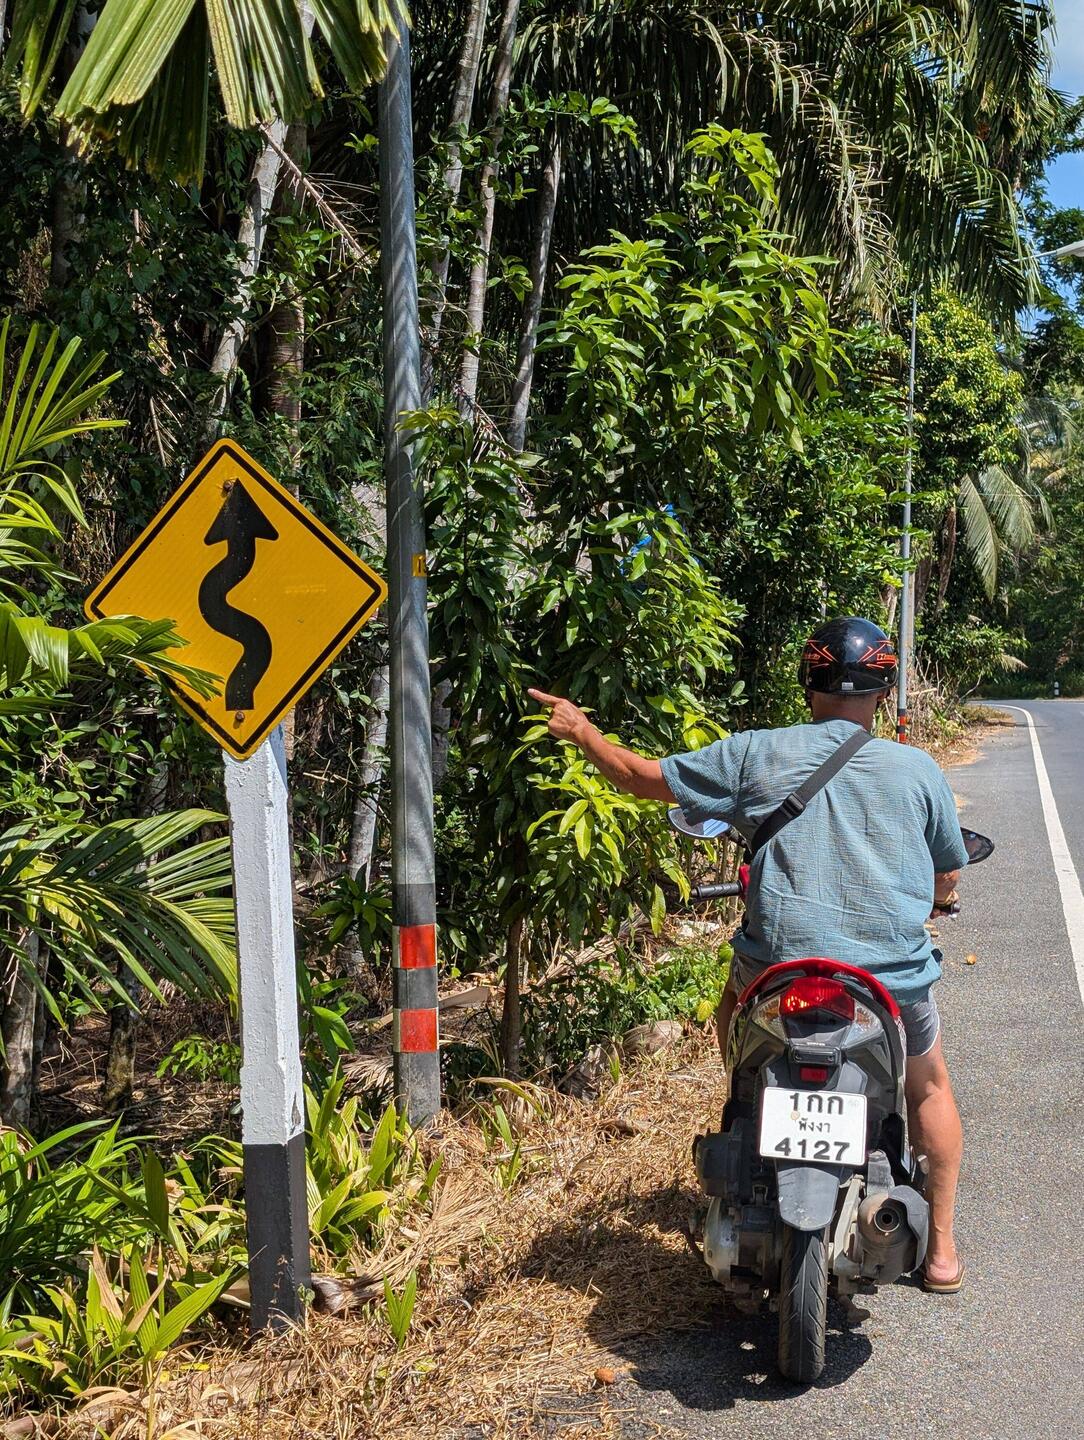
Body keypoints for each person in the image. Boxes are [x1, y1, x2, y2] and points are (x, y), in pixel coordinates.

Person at [528, 615, 969, 1293]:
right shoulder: (917, 769)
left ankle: (752, 1089)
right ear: (884, 691)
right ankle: (939, 1252)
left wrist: (583, 731)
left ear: (809, 684)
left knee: (733, 1008)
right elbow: (948, 873)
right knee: (928, 1086)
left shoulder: (755, 753)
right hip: (890, 982)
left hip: (777, 972)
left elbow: (643, 778)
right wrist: (937, 897)